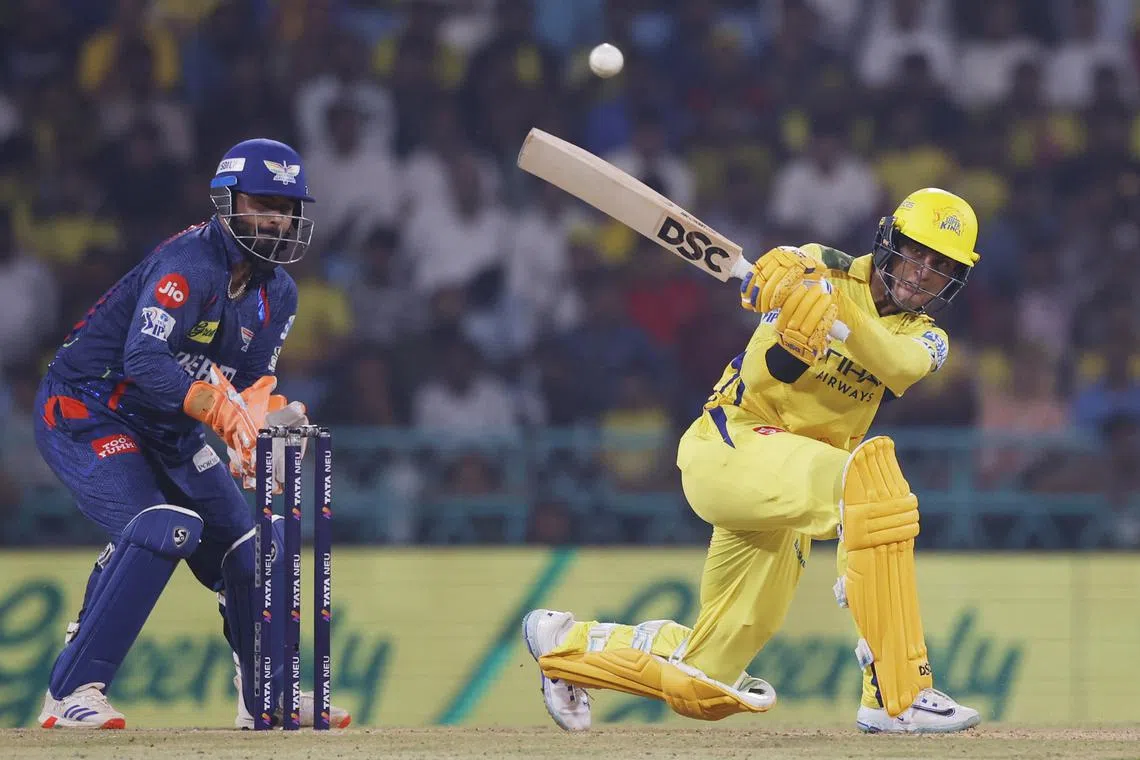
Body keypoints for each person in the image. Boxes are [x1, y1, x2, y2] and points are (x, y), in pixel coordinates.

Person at [522, 187, 983, 734]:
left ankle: (567, 647)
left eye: (940, 265)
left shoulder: (929, 338)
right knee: (874, 485)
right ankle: (898, 692)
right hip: (731, 446)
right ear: (889, 242)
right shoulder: (820, 268)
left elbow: (899, 365)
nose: (922, 272)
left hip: (789, 490)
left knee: (705, 683)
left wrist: (839, 322)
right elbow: (777, 374)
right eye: (916, 252)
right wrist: (796, 311)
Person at [34, 138, 349, 730]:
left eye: (286, 207)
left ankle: (266, 699)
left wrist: (255, 430)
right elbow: (145, 361)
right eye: (262, 203)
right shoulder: (189, 264)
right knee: (163, 526)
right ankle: (71, 692)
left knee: (252, 548)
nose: (277, 219)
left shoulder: (278, 292)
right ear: (227, 202)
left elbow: (248, 382)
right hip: (88, 410)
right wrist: (221, 414)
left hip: (170, 431)